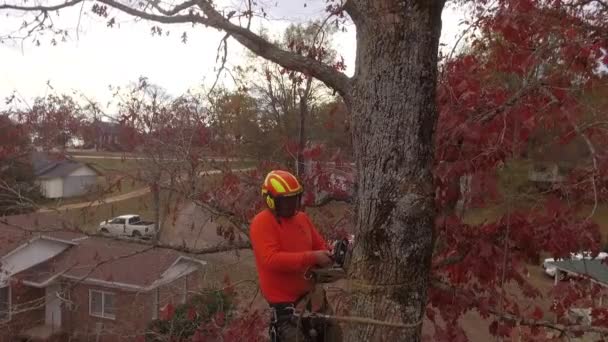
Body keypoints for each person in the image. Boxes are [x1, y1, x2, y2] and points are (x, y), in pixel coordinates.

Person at [250, 170, 343, 342]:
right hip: (287, 311)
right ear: (271, 200)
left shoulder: (302, 219)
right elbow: (271, 259)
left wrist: (333, 254)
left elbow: (321, 247)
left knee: (335, 336)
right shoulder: (262, 222)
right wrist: (313, 257)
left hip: (314, 300)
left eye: (294, 199)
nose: (291, 205)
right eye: (285, 201)